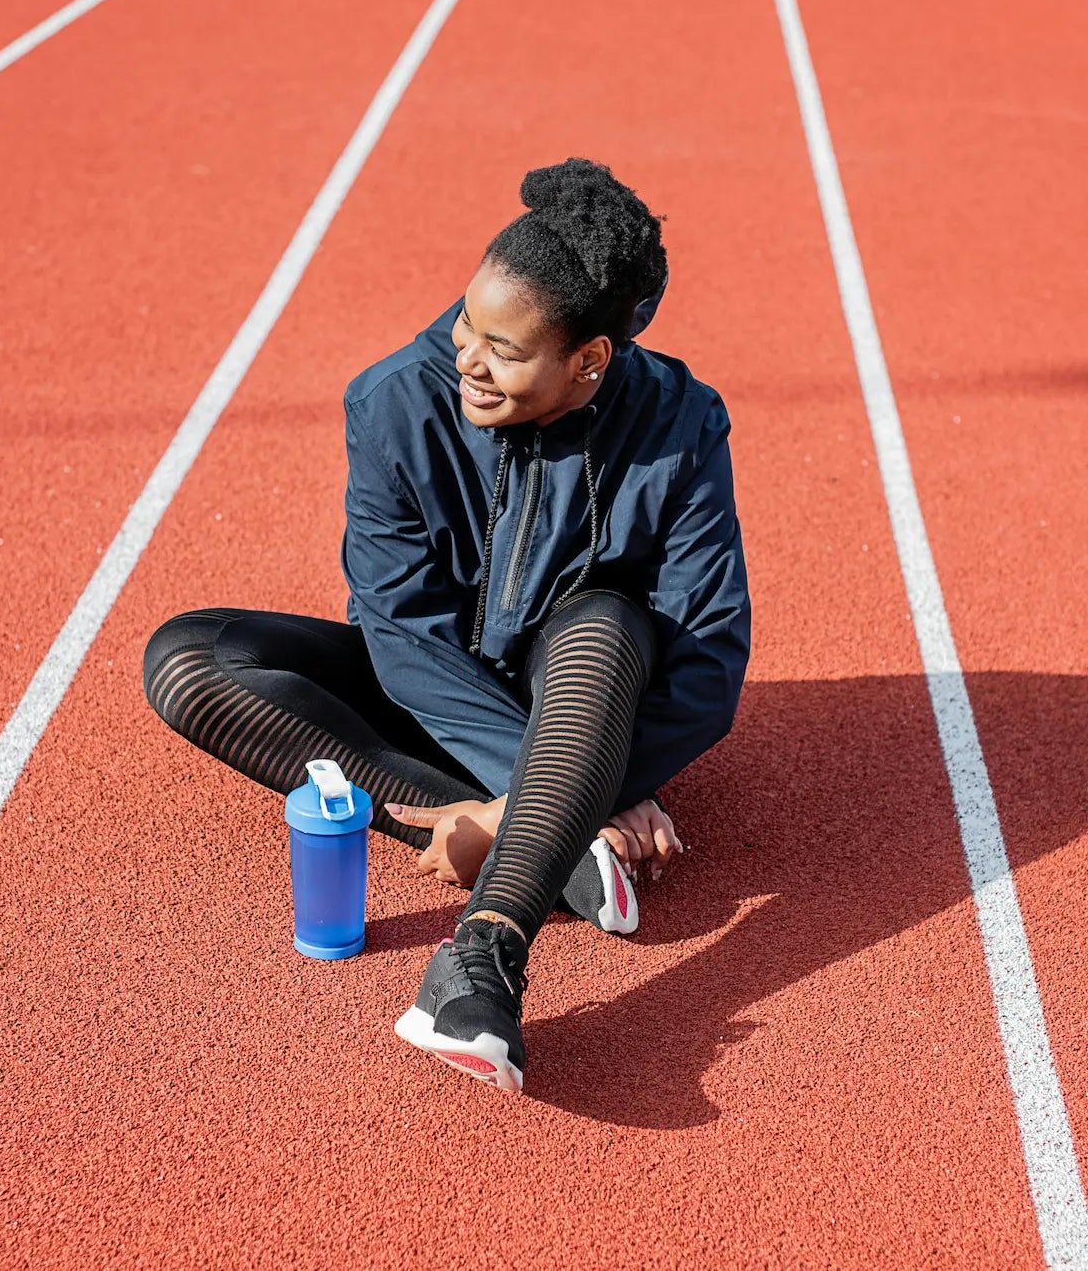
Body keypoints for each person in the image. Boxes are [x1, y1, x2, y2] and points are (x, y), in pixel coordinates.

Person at [143, 158, 749, 1092]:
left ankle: (483, 958)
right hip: (436, 690)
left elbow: (705, 662)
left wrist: (521, 808)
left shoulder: (678, 425)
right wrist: (549, 799)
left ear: (587, 358)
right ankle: (563, 848)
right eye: (467, 321)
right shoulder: (393, 401)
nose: (467, 356)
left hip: (585, 695)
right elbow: (395, 626)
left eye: (504, 349)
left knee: (601, 626)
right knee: (189, 662)